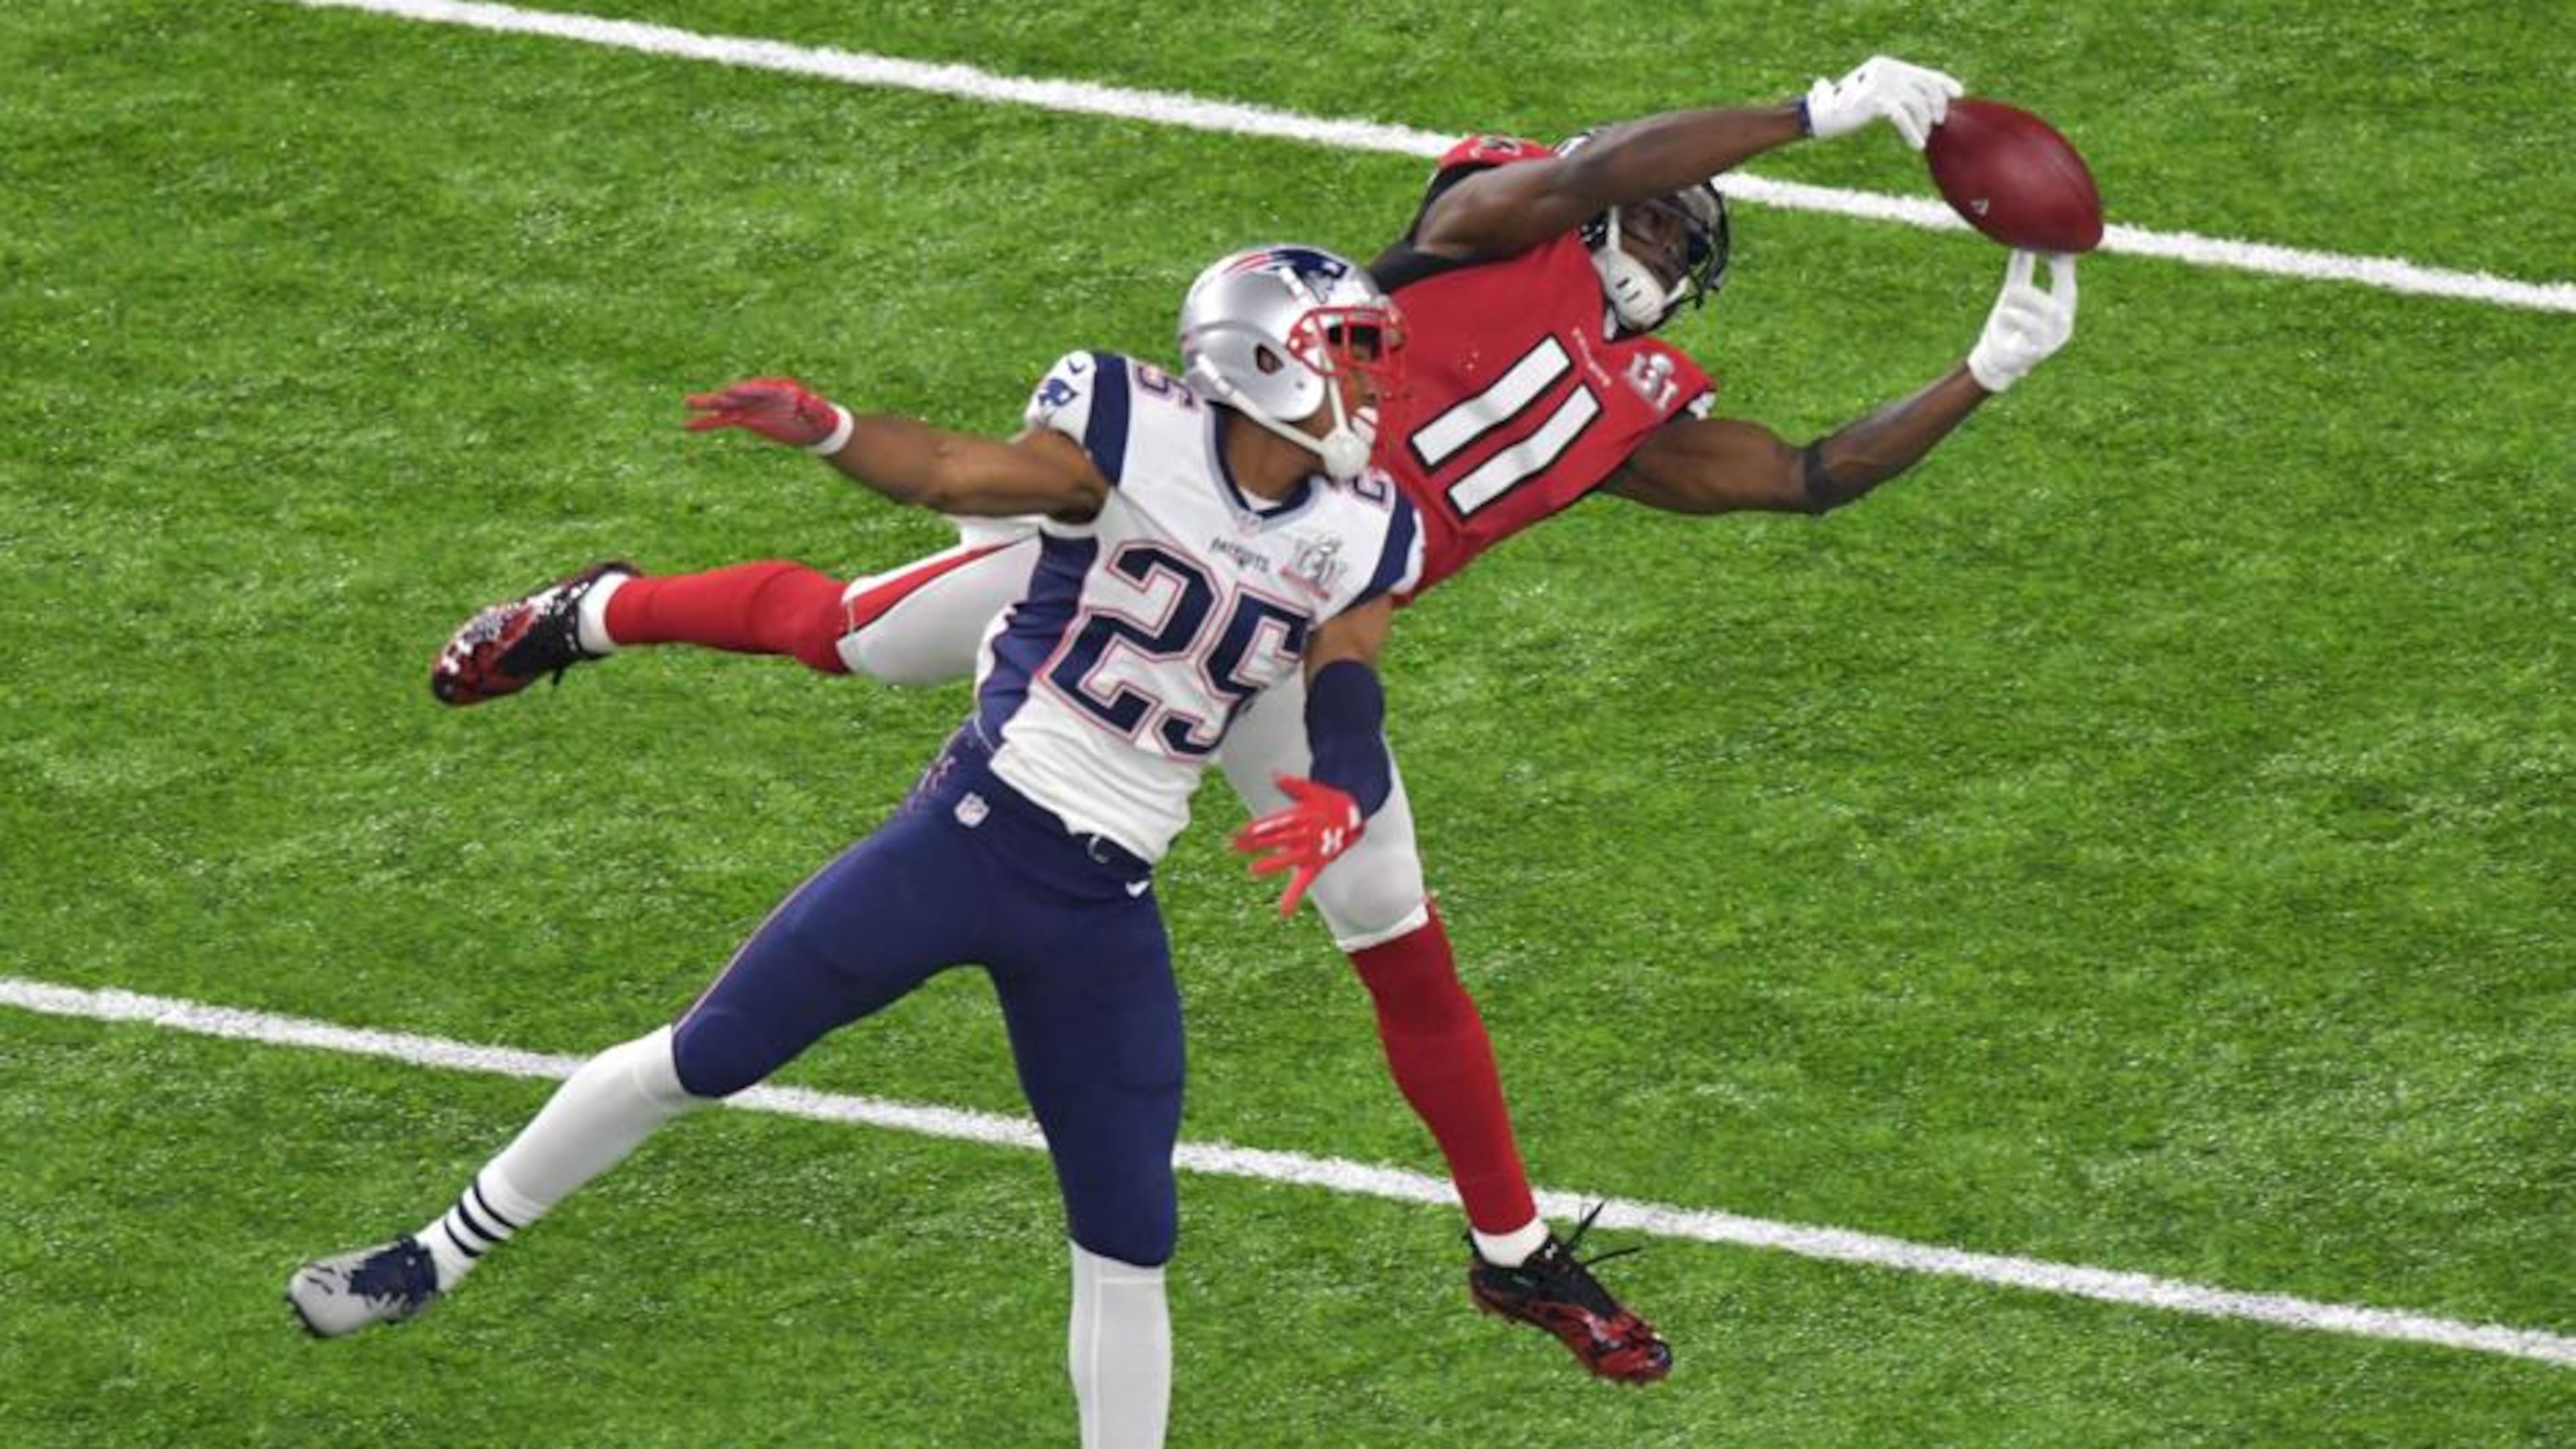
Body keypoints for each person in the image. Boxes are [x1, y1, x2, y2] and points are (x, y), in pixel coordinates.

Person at [425, 55, 2080, 1384]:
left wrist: (1988, 367)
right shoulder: (1496, 224)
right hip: (1170, 554)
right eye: (1659, 224)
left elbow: (1804, 479)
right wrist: (1815, 111)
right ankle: (597, 609)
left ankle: (1511, 1257)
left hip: (1309, 643)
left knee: (1396, 930)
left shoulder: (1643, 410)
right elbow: (1585, 176)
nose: (1665, 253)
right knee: (859, 640)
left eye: (1677, 237)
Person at [291, 245, 1424, 1449]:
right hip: (974, 838)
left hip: (1106, 900)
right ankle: (434, 1255)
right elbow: (951, 470)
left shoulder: (1362, 527)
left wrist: (1343, 790)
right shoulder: (1130, 433)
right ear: (1258, 359)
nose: (1373, 386)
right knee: (705, 1055)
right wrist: (830, 428)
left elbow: (1345, 679)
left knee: (1131, 1232)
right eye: (1350, 355)